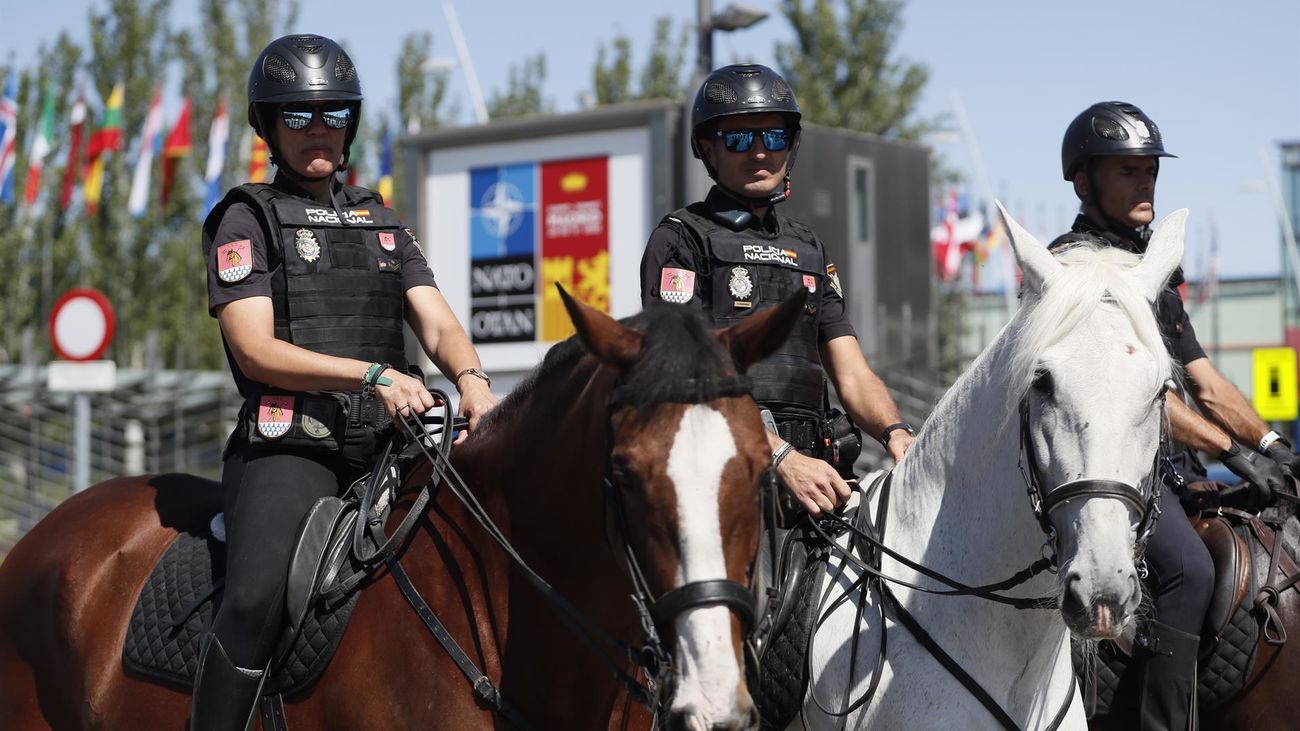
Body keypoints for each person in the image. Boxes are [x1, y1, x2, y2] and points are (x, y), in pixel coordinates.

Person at [194, 34, 498, 730]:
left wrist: (472, 378)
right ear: (269, 127)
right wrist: (370, 375)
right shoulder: (245, 215)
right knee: (255, 595)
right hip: (292, 447)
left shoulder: (381, 219)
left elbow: (440, 324)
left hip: (392, 445)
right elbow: (254, 348)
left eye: (332, 114)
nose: (318, 130)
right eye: (298, 117)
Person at [1054, 101, 1292, 731]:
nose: (1146, 184)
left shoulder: (1149, 263)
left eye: (1150, 170)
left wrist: (1271, 444)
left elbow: (1204, 380)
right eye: (1128, 171)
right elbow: (1137, 398)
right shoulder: (1077, 269)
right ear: (1084, 181)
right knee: (1187, 569)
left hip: (1173, 469)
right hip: (1107, 473)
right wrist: (1230, 450)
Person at [639, 64, 914, 517]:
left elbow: (853, 375)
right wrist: (781, 457)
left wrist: (896, 432)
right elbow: (687, 376)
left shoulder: (808, 246)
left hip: (818, 480)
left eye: (774, 136)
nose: (760, 152)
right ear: (708, 148)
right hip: (723, 490)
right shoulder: (680, 240)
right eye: (739, 139)